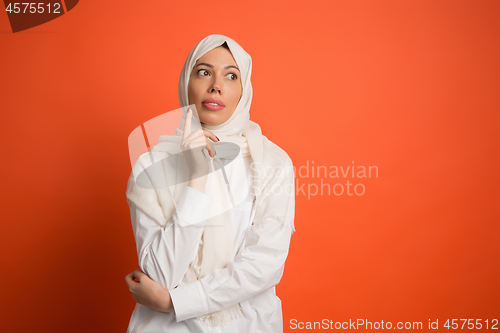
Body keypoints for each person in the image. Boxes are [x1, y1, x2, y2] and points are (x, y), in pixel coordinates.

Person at [124, 34, 295, 333]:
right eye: (204, 72)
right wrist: (198, 178)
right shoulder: (150, 166)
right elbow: (161, 275)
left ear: (244, 90)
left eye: (231, 76)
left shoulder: (271, 162)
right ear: (185, 81)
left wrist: (174, 303)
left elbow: (263, 267)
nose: (216, 85)